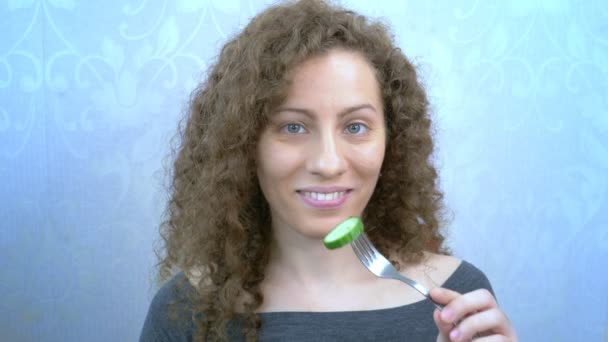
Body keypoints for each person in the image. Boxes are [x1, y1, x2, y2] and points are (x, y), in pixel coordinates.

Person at [140, 0, 517, 341]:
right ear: (244, 144)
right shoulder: (186, 310)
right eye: (293, 127)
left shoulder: (459, 297)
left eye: (355, 127)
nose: (328, 163)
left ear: (393, 141)